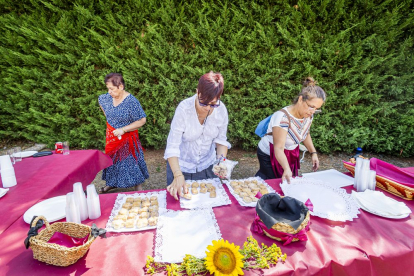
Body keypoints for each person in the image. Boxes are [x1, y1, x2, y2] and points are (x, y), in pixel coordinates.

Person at [164, 71, 231, 200]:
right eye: (203, 103)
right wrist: (177, 175)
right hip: (180, 167)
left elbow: (221, 140)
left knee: (208, 204)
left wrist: (221, 162)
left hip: (207, 166)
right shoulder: (184, 109)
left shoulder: (221, 110)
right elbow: (172, 145)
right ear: (197, 92)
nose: (208, 108)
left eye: (213, 104)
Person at [255, 77, 326, 183]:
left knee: (287, 184)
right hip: (270, 154)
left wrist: (313, 153)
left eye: (317, 109)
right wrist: (287, 168)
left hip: (290, 153)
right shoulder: (282, 118)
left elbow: (305, 133)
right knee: (271, 184)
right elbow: (278, 148)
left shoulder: (308, 115)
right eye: (312, 107)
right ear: (301, 99)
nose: (313, 112)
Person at [98, 73, 149, 192]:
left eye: (111, 89)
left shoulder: (131, 101)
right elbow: (104, 107)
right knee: (112, 160)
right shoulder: (105, 98)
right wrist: (111, 123)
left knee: (130, 161)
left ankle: (138, 186)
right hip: (112, 136)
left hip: (127, 137)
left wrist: (123, 129)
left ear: (120, 86)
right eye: (108, 88)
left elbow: (142, 120)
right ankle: (112, 183)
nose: (109, 92)